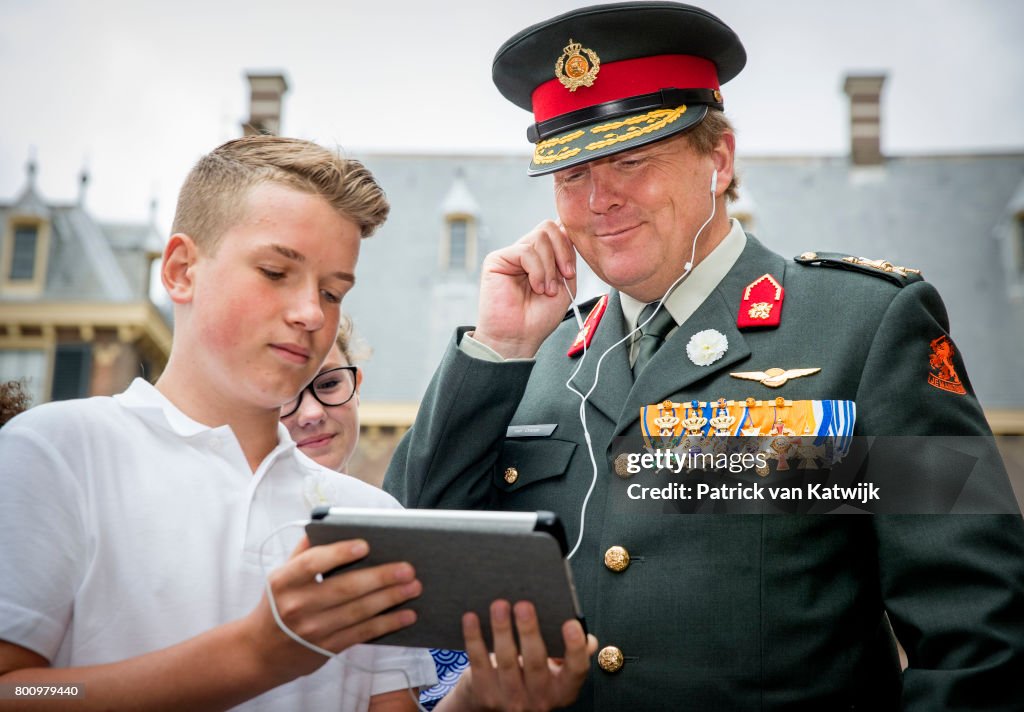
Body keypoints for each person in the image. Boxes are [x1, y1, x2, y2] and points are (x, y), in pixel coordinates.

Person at [384, 3, 1024, 710]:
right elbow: (415, 561)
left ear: (717, 160)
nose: (599, 199)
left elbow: (977, 636)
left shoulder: (859, 330)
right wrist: (496, 351)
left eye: (631, 160)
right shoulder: (534, 360)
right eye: (570, 175)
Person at [0, 135, 594, 711]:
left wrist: (478, 699)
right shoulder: (55, 454)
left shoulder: (370, 517)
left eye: (333, 292)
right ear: (181, 269)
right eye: (276, 273)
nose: (313, 313)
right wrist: (257, 655)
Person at [281, 319, 470, 709]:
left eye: (329, 384)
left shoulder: (392, 522)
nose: (312, 413)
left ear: (357, 386)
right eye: (286, 394)